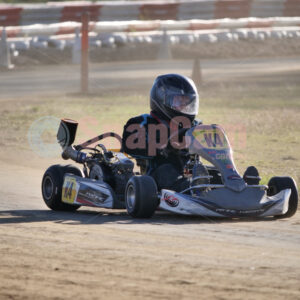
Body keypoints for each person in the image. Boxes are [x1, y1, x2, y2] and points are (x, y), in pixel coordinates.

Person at [122, 73, 200, 191]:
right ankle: (191, 190)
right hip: (154, 177)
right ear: (163, 99)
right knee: (168, 172)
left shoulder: (195, 126)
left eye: (187, 101)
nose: (184, 105)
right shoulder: (142, 123)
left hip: (189, 171)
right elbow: (130, 147)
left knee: (212, 173)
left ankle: (228, 188)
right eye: (179, 101)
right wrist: (163, 146)